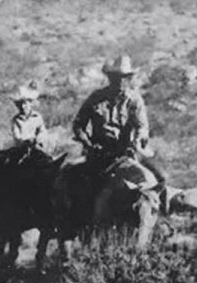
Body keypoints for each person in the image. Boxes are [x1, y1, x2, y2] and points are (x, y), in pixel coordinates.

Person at [72, 55, 168, 212]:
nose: (121, 81)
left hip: (128, 152)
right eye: (117, 77)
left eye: (125, 78)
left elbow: (142, 126)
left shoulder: (134, 100)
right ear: (110, 78)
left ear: (129, 79)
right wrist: (87, 143)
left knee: (161, 178)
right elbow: (78, 125)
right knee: (86, 188)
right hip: (100, 153)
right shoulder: (96, 98)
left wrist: (138, 139)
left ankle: (161, 217)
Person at [10, 84, 47, 164]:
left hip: (36, 147)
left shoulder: (37, 117)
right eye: (20, 104)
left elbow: (42, 131)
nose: (23, 106)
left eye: (25, 103)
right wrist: (25, 141)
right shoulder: (16, 120)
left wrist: (38, 139)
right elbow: (16, 136)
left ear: (30, 103)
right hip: (22, 149)